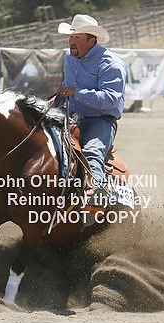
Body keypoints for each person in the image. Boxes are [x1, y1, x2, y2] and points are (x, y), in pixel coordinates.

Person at [56, 14, 127, 204]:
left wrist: (76, 92)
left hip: (101, 120)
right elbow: (67, 88)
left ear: (91, 40)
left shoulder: (111, 64)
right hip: (71, 117)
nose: (72, 41)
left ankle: (95, 196)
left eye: (77, 37)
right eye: (71, 37)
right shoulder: (69, 58)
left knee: (92, 153)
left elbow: (111, 100)